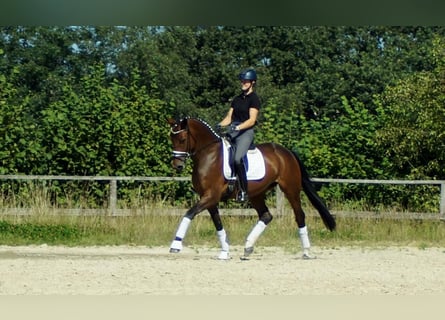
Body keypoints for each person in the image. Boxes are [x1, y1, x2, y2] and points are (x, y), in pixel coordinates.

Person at [218, 68, 261, 202]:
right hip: (233, 130)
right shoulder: (236, 99)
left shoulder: (254, 99)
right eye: (242, 81)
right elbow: (229, 117)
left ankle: (243, 191)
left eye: (246, 81)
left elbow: (252, 120)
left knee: (237, 159)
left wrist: (238, 127)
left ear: (252, 83)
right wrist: (219, 125)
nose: (243, 83)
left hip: (245, 132)